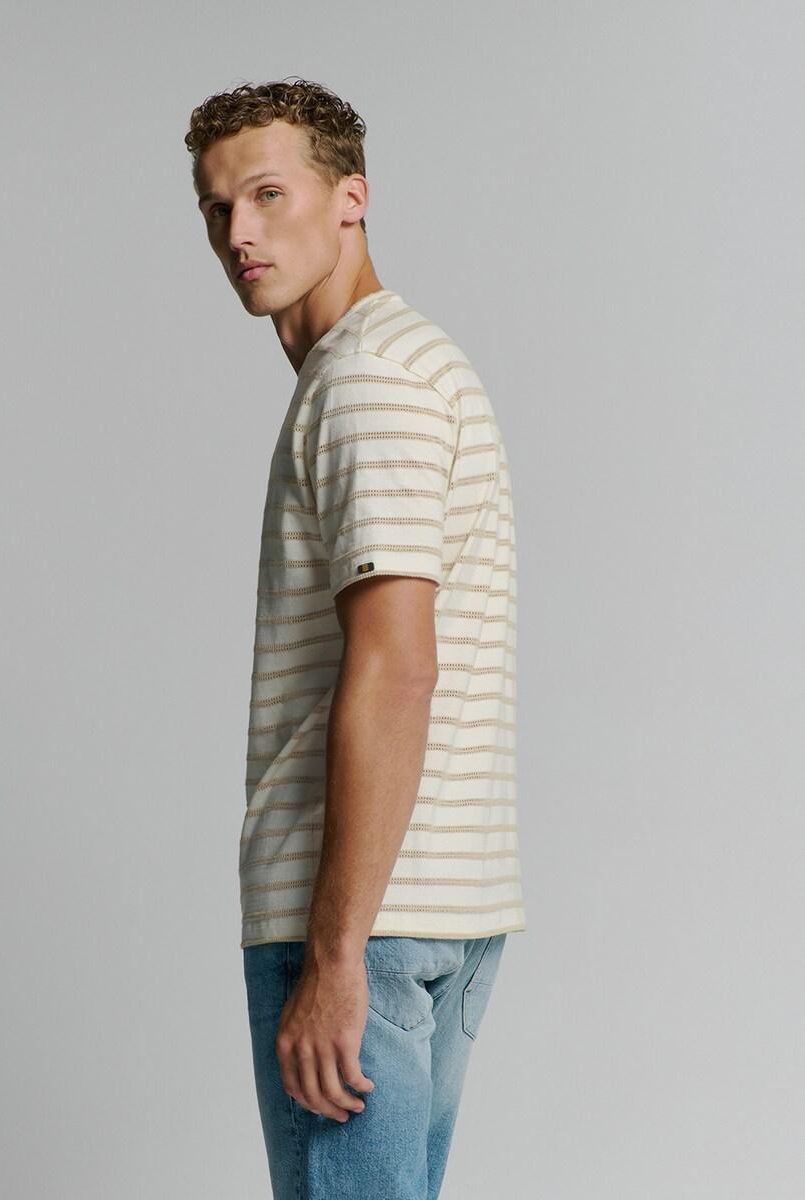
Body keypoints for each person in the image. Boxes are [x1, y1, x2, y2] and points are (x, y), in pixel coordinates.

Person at [185, 77, 527, 1200]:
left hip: (363, 926)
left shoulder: (369, 379)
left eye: (267, 194)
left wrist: (334, 954)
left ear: (351, 198)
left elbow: (396, 666)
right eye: (217, 207)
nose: (238, 233)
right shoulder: (408, 362)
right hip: (433, 911)